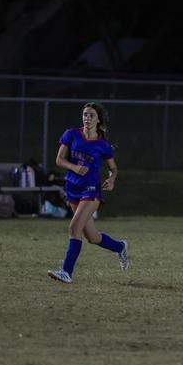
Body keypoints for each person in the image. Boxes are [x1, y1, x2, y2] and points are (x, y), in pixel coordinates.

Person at [48, 102, 129, 284]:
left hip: (91, 190)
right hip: (72, 188)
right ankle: (120, 247)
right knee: (92, 237)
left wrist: (112, 179)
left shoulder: (103, 145)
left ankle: (66, 272)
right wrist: (74, 167)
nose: (87, 118)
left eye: (92, 115)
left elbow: (113, 169)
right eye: (85, 114)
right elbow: (59, 159)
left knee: (73, 228)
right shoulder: (71, 134)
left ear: (98, 119)